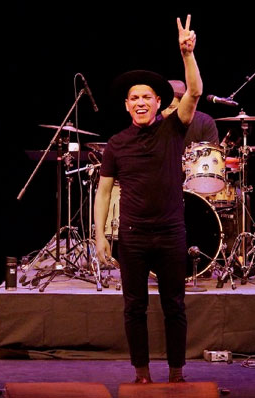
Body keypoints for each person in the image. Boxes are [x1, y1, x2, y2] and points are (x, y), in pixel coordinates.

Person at [94, 15, 202, 384]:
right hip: (134, 236)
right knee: (133, 307)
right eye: (134, 98)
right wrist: (99, 237)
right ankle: (141, 374)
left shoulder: (173, 128)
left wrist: (187, 54)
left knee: (175, 305)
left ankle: (176, 373)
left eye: (146, 97)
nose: (140, 102)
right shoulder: (116, 144)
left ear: (159, 103)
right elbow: (104, 191)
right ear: (127, 105)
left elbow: (195, 92)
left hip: (171, 233)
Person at [162, 79, 219, 147]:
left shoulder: (205, 122)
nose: (166, 112)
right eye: (163, 107)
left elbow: (212, 154)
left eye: (171, 107)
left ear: (183, 104)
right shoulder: (155, 123)